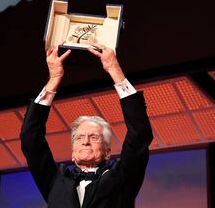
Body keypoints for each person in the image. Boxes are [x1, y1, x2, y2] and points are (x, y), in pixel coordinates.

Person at [20, 41, 154, 208]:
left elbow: (140, 134)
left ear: (107, 152)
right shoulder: (55, 180)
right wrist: (53, 79)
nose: (85, 141)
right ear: (72, 153)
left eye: (94, 137)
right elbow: (30, 139)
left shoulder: (122, 177)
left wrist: (114, 68)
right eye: (79, 137)